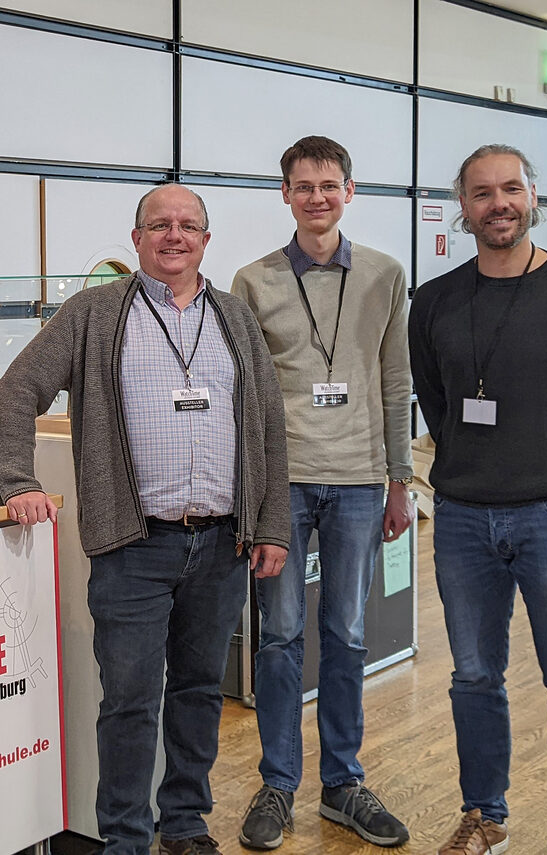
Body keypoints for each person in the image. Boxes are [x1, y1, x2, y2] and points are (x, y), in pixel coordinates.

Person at [0, 182, 290, 855]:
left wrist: (271, 524)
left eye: (188, 225)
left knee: (196, 692)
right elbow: (18, 390)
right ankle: (125, 837)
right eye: (159, 224)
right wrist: (19, 480)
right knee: (128, 700)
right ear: (137, 239)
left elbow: (270, 426)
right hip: (132, 544)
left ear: (206, 241)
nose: (174, 235)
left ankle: (184, 825)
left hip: (220, 543)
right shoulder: (95, 313)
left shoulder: (236, 318)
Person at [409, 144, 547, 855]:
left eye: (510, 189)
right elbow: (436, 399)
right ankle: (485, 815)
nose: (498, 204)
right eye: (482, 193)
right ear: (465, 207)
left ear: (532, 197)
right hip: (464, 520)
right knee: (474, 676)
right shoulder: (437, 300)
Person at [229, 136, 411, 850]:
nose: (317, 197)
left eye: (329, 185)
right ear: (285, 194)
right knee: (278, 638)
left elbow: (396, 383)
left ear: (349, 191)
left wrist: (401, 479)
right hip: (285, 484)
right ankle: (278, 784)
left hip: (363, 481)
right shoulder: (252, 280)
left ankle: (343, 783)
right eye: (303, 186)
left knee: (347, 635)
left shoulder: (385, 275)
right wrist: (251, 497)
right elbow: (244, 399)